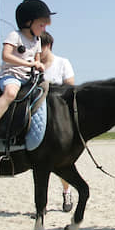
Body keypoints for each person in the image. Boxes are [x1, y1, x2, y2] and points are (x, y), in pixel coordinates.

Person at [0, 0, 55, 151]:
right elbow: (5, 56)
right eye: (41, 24)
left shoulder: (37, 40)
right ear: (28, 22)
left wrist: (39, 65)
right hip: (11, 76)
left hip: (28, 79)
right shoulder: (15, 36)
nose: (44, 28)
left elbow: (37, 59)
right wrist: (29, 64)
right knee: (10, 93)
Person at [40, 31, 76, 212]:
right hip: (39, 119)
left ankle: (66, 191)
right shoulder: (34, 66)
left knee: (63, 162)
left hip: (58, 119)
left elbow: (70, 87)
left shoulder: (62, 63)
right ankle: (42, 203)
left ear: (47, 46)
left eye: (39, 48)